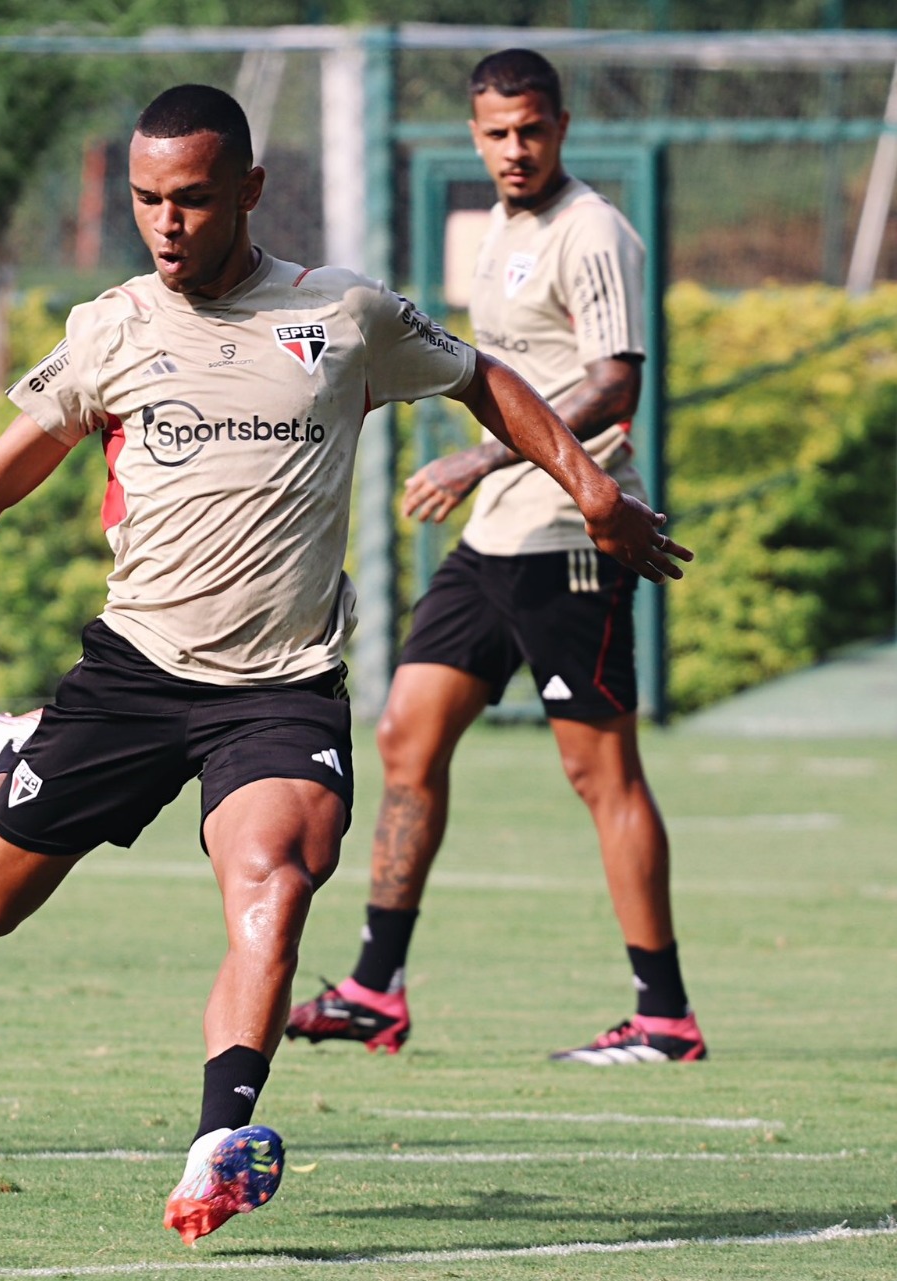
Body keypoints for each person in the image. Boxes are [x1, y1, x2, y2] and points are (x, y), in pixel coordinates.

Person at [0, 83, 690, 1246]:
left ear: (247, 191)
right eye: (145, 200)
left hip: (279, 689)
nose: (166, 223)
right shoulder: (113, 329)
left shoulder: (343, 315)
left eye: (190, 198)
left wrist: (588, 487)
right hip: (132, 675)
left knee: (278, 874)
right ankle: (18, 750)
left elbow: (483, 376)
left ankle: (218, 1140)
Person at [285, 49, 707, 1067]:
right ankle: (374, 991)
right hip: (493, 543)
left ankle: (662, 1016)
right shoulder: (499, 228)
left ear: (560, 125)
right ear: (474, 136)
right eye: (496, 134)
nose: (515, 150)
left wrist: (480, 453)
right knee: (405, 739)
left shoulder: (592, 230)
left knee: (598, 773)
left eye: (532, 130)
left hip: (567, 536)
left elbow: (612, 385)